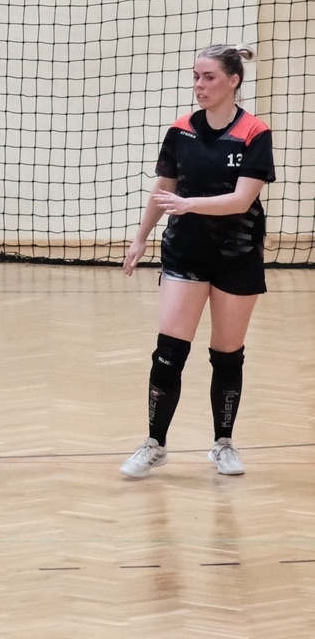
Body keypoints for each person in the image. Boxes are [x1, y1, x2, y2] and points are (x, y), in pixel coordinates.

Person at [119, 44, 274, 479]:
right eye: (195, 77)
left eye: (208, 77)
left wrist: (189, 205)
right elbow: (164, 189)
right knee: (168, 353)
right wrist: (140, 238)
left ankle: (223, 444)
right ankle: (155, 445)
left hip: (237, 255)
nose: (199, 86)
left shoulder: (254, 132)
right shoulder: (181, 130)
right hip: (184, 252)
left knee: (227, 355)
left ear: (233, 81)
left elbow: (241, 199)